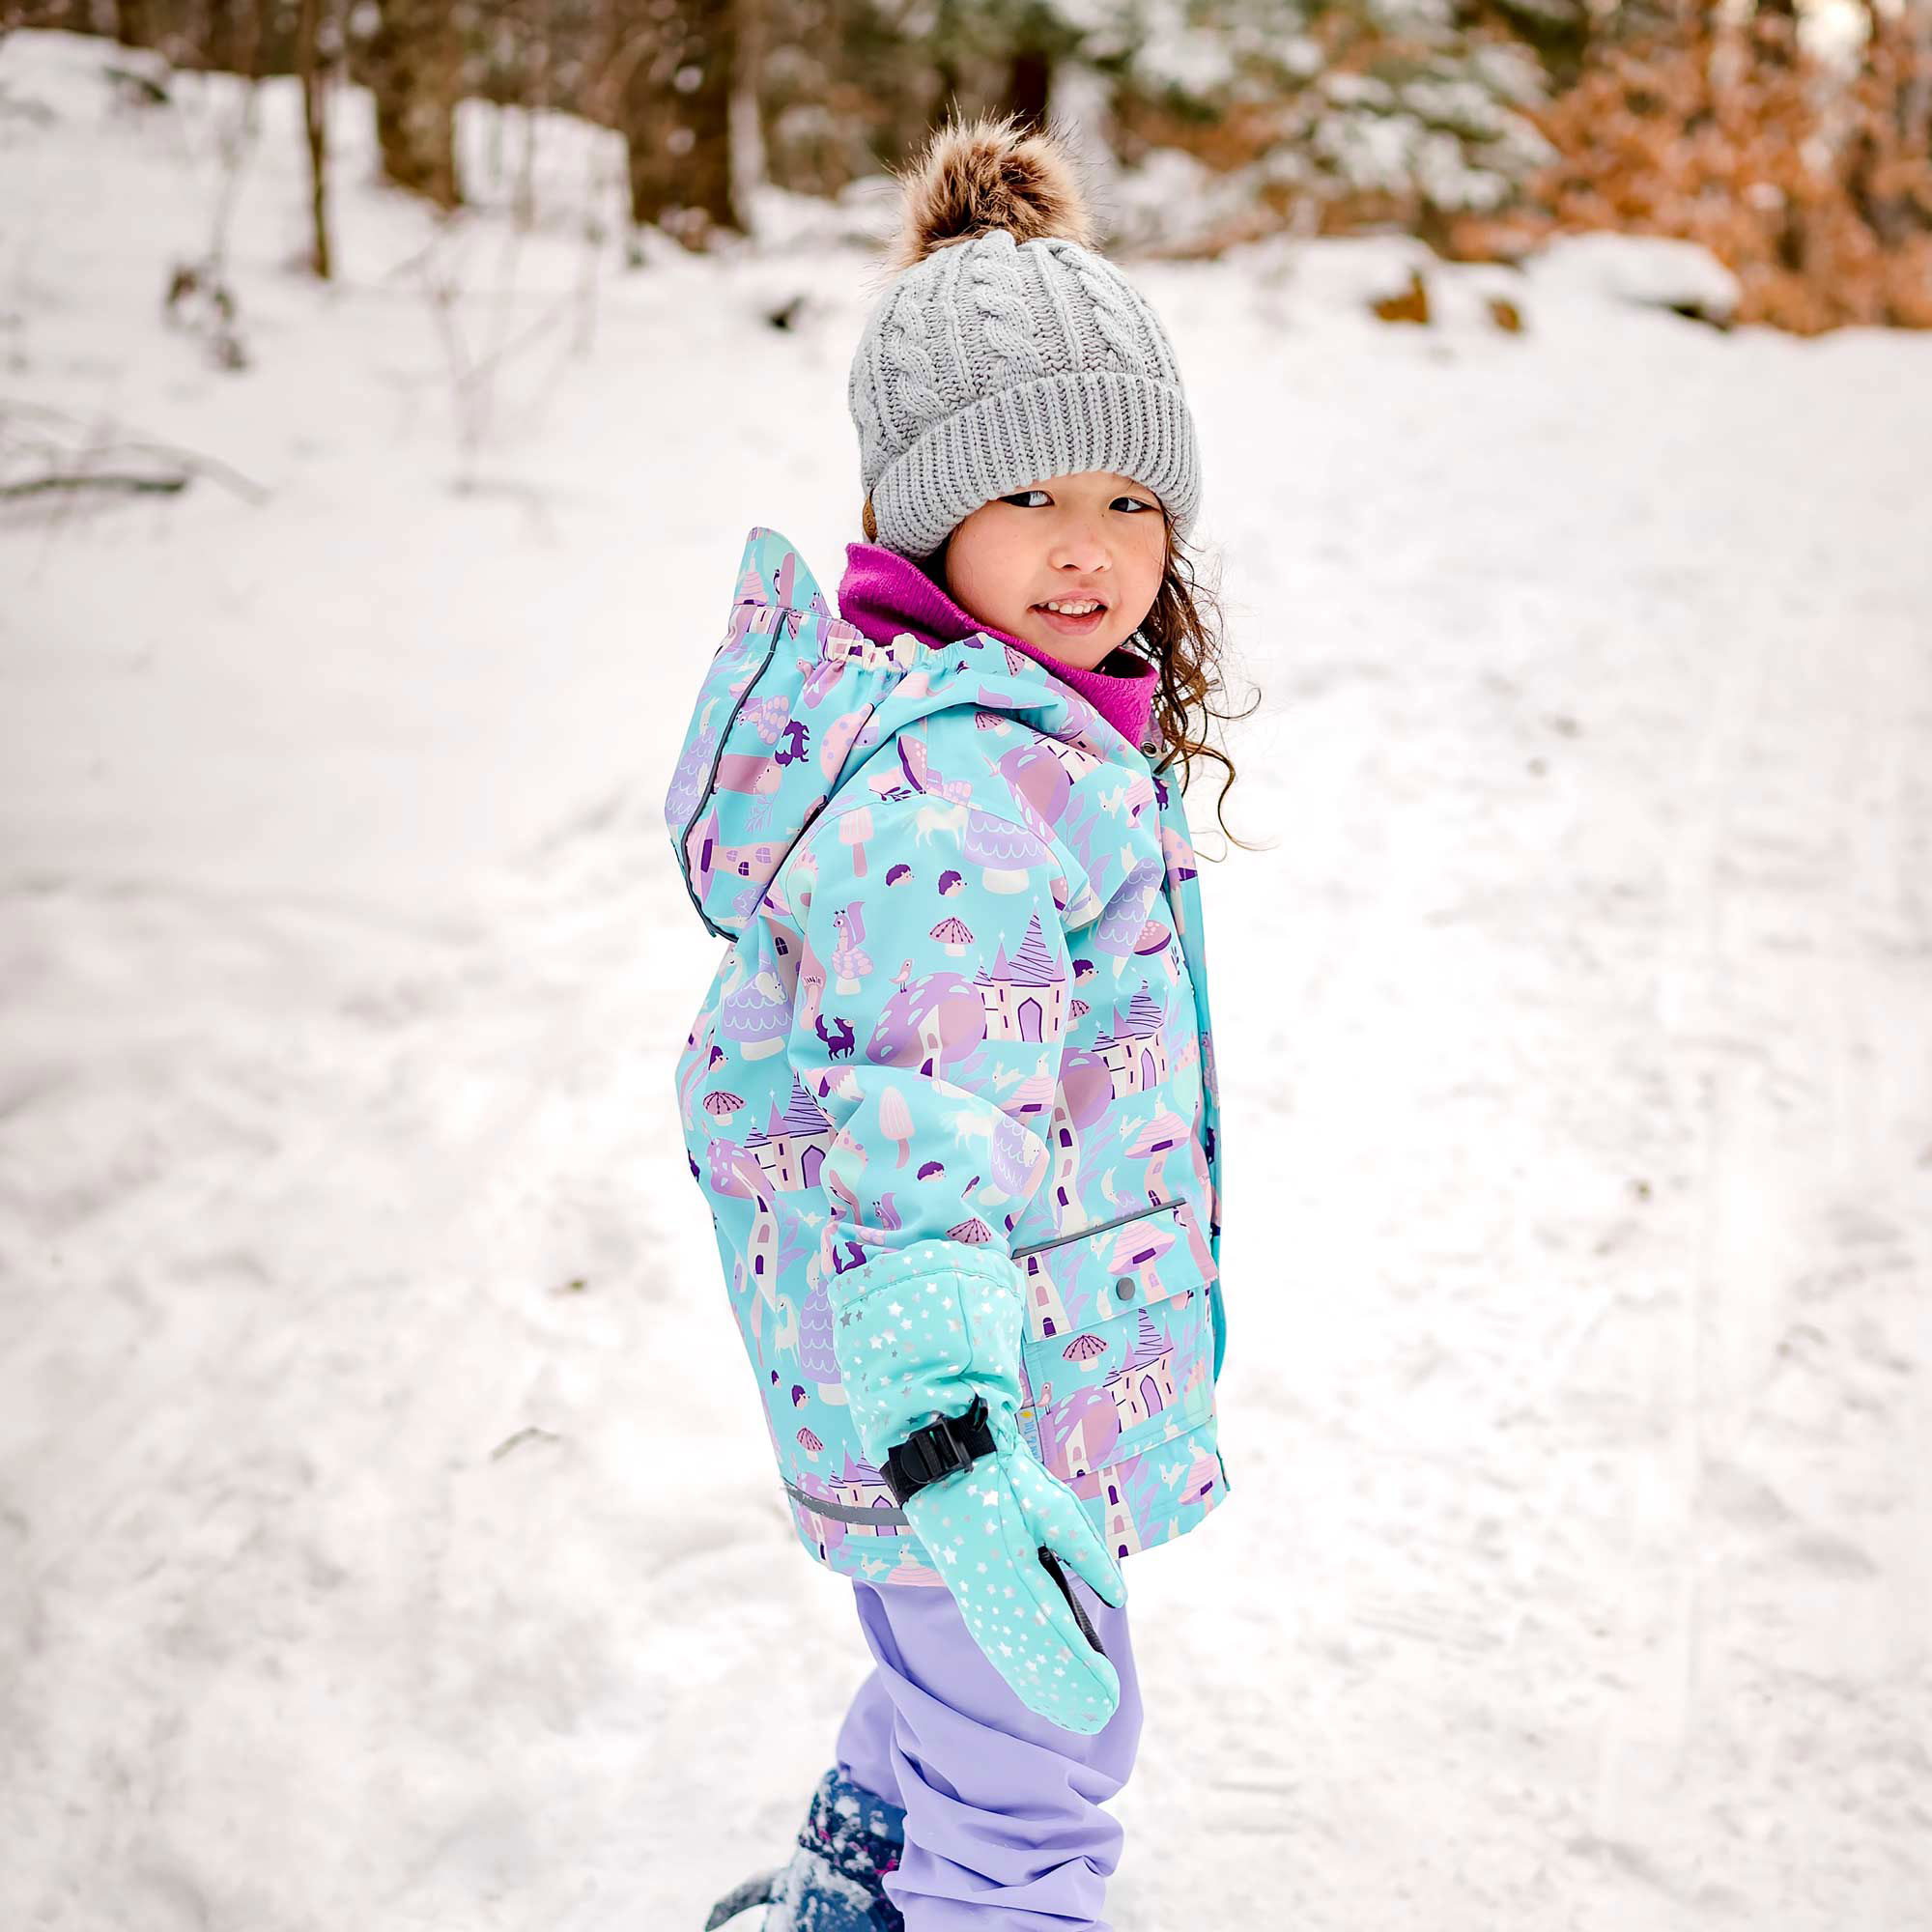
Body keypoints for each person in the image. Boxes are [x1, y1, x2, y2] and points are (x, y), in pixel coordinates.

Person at [667, 109, 1246, 1932]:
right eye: (1032, 499)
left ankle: (852, 1882)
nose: (1090, 553)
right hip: (969, 1389)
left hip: (1015, 1353)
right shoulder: (955, 792)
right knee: (1040, 1769)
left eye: (1129, 502)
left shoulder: (1024, 729)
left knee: (971, 1695)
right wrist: (956, 1442)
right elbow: (921, 1118)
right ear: (928, 513)